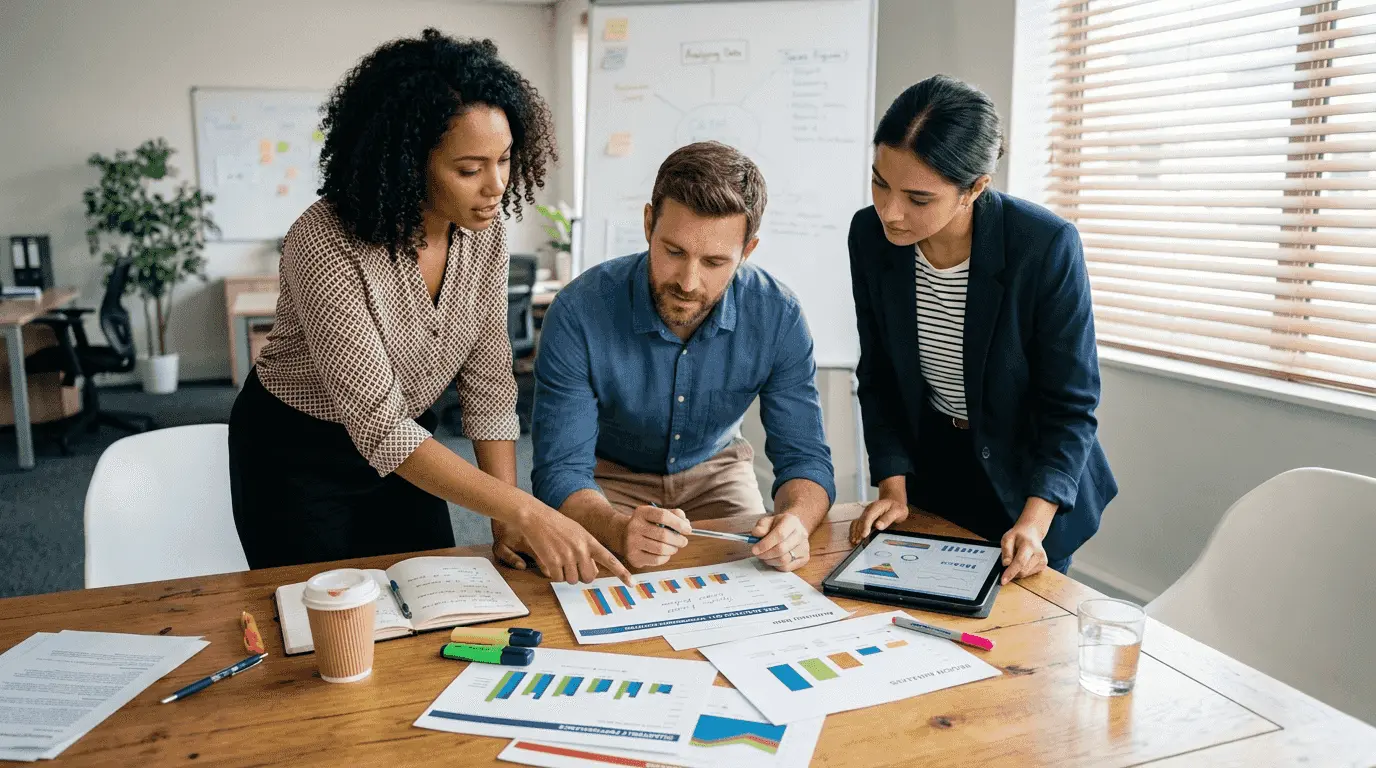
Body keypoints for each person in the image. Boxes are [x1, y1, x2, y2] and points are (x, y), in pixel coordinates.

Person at [229, 30, 629, 586]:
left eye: (505, 160)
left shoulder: (482, 236)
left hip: (413, 452)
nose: (495, 186)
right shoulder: (323, 242)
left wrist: (505, 510)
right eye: (469, 169)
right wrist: (528, 511)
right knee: (320, 625)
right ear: (407, 163)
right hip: (299, 457)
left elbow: (489, 384)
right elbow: (378, 425)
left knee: (433, 600)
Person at [506, 141, 836, 573]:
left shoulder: (778, 315)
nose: (688, 281)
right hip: (607, 480)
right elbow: (561, 470)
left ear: (747, 251)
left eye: (716, 261)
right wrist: (613, 526)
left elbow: (806, 459)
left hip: (716, 469)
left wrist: (796, 521)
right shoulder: (578, 312)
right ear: (648, 224)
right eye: (674, 251)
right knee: (587, 586)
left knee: (763, 575)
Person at [847, 75, 1117, 582]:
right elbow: (879, 372)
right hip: (933, 470)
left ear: (975, 188)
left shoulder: (1044, 245)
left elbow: (1070, 407)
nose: (891, 211)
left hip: (1027, 484)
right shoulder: (869, 235)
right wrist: (892, 486)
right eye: (880, 183)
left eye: (918, 198)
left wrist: (1034, 524)